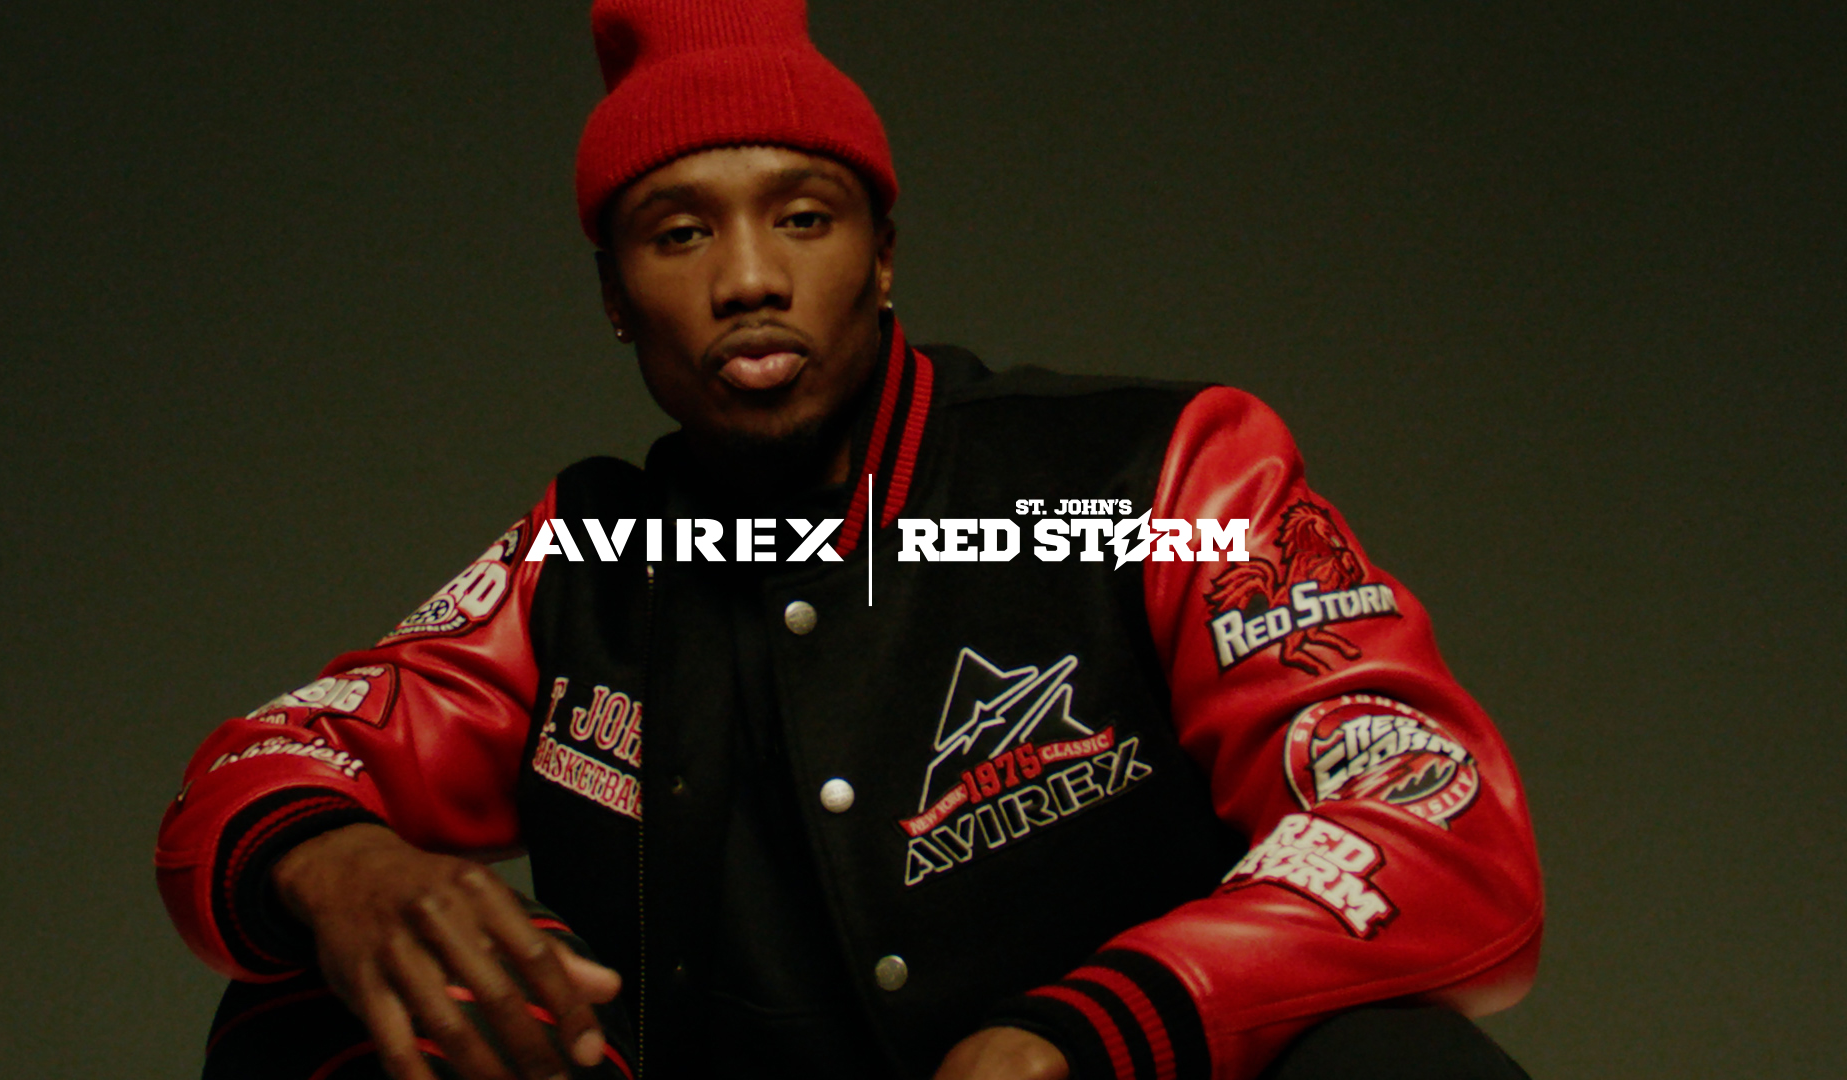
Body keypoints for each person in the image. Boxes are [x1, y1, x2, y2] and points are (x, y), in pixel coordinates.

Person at [157, 2, 1543, 1078]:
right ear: (613, 296)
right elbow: (268, 760)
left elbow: (1430, 814)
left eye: (802, 219)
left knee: (1388, 1057)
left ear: (881, 250)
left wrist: (1099, 1029)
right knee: (300, 1008)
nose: (748, 278)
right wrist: (345, 870)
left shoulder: (1153, 470)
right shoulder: (586, 556)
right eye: (678, 232)